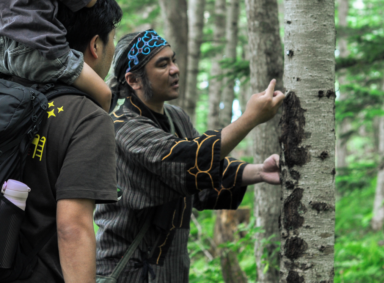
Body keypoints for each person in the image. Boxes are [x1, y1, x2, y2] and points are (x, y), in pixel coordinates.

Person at [95, 30, 285, 282]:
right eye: (162, 64)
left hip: (172, 272)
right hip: (126, 273)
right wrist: (249, 118)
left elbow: (201, 180)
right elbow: (188, 161)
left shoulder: (177, 118)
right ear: (133, 80)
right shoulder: (123, 128)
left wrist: (260, 171)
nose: (175, 69)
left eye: (173, 60)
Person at [11, 0, 122, 283]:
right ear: (96, 45)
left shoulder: (8, 95)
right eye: (113, 41)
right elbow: (72, 228)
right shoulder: (88, 118)